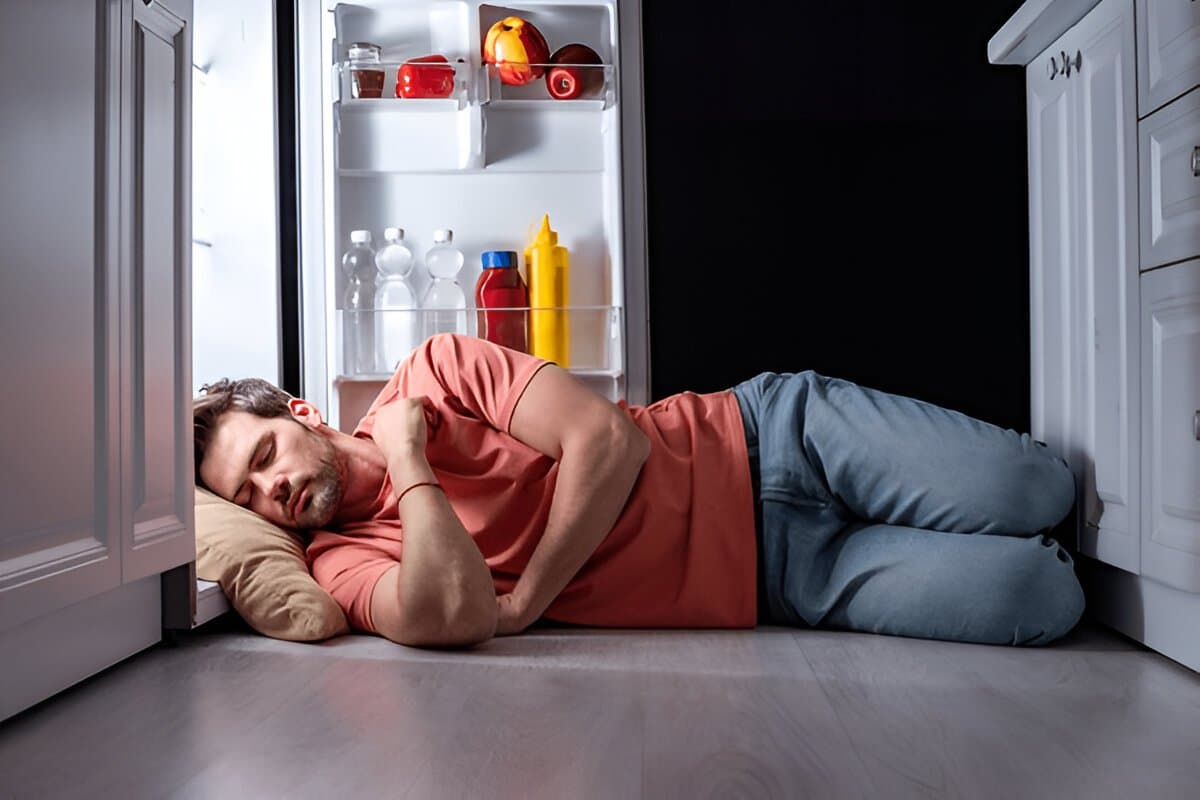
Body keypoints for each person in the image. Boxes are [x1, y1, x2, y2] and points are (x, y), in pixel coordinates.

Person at [192, 333, 1085, 650]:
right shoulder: (343, 561)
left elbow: (606, 442)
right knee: (1045, 594)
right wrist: (414, 468)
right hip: (780, 583)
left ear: (302, 412)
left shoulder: (435, 369)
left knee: (1036, 485)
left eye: (267, 450)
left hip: (774, 437)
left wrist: (530, 598)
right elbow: (450, 617)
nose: (276, 485)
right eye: (252, 492)